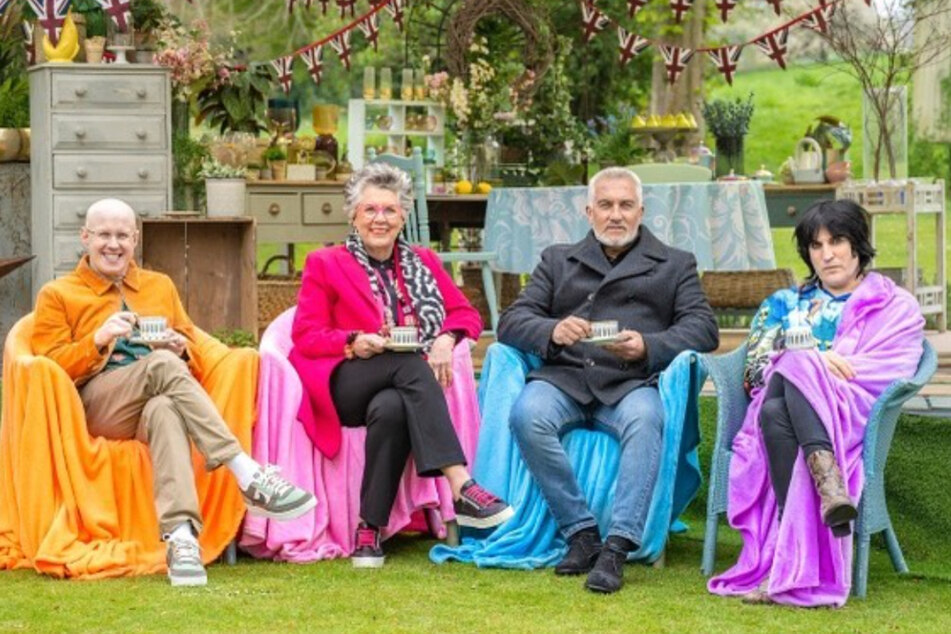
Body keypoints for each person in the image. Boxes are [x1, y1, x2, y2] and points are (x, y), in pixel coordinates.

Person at [30, 198, 316, 587]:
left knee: (165, 407)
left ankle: (181, 538)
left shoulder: (158, 285)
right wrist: (97, 341)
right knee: (163, 367)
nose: (113, 245)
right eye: (103, 235)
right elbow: (48, 366)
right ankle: (244, 471)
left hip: (151, 399)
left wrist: (179, 347)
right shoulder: (58, 294)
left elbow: (189, 342)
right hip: (97, 404)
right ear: (86, 238)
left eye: (122, 236)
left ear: (134, 240)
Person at [498, 167, 719, 593]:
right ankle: (581, 534)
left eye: (625, 205)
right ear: (589, 211)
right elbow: (512, 320)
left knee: (647, 421)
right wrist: (552, 331)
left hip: (629, 382)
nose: (615, 215)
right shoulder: (557, 259)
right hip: (565, 377)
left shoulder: (675, 263)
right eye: (605, 205)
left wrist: (649, 346)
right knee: (528, 413)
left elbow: (703, 329)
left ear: (641, 211)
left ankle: (617, 547)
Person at [289, 162, 513, 568]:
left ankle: (369, 530)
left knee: (392, 408)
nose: (380, 219)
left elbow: (466, 314)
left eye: (390, 210)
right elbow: (305, 334)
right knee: (409, 364)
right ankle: (461, 483)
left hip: (396, 385)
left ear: (403, 216)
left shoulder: (422, 260)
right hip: (345, 381)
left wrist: (445, 339)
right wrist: (356, 342)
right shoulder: (326, 263)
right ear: (353, 214)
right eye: (370, 210)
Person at [708, 199, 925, 607]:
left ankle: (793, 554)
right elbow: (754, 375)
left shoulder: (894, 306)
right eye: (815, 245)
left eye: (837, 241)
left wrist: (808, 364)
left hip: (848, 416)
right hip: (782, 409)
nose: (826, 254)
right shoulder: (784, 304)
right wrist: (812, 359)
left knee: (781, 399)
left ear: (858, 244)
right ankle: (830, 491)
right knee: (790, 371)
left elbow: (891, 369)